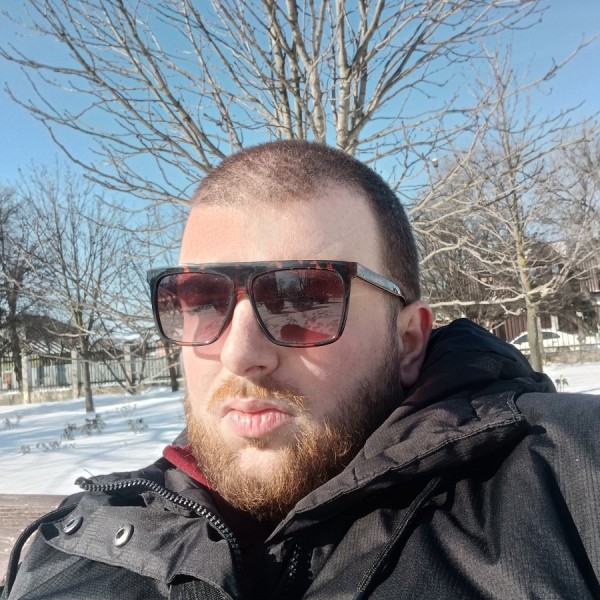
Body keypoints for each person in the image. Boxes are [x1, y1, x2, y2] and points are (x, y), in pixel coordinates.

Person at [3, 141, 600, 600]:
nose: (239, 355)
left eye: (303, 298)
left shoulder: (569, 480)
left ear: (408, 339)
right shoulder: (74, 548)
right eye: (201, 299)